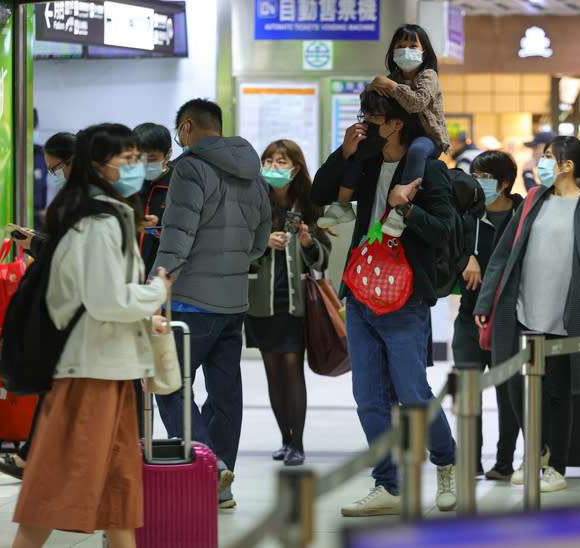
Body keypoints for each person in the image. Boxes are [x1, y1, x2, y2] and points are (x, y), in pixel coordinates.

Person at [11, 123, 171, 548]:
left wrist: (141, 315)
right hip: (88, 374)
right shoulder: (98, 222)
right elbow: (105, 301)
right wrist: (155, 292)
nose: (138, 166)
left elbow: (101, 300)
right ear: (99, 167)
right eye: (128, 159)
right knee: (55, 491)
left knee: (119, 494)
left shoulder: (103, 215)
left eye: (139, 157)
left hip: (110, 369)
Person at [312, 90, 457, 516]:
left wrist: (406, 209)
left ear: (396, 124)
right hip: (360, 294)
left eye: (373, 118)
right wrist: (344, 152)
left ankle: (446, 463)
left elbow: (442, 231)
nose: (366, 124)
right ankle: (388, 485)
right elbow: (321, 192)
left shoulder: (430, 170)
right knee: (369, 398)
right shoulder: (369, 162)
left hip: (406, 298)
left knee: (413, 393)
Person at [151, 98, 271, 509]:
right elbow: (259, 242)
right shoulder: (254, 174)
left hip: (188, 302)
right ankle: (221, 484)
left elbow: (177, 236)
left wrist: (156, 285)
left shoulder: (189, 168)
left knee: (169, 385)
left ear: (186, 127)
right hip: (233, 303)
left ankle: (210, 467)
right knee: (224, 394)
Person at [474, 135, 580, 493]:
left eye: (548, 156)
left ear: (567, 165)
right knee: (516, 386)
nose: (541, 162)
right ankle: (535, 453)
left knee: (557, 393)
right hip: (520, 312)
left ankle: (556, 467)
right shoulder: (534, 199)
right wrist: (485, 303)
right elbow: (503, 256)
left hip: (564, 319)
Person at [0, 132, 77, 482]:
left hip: (82, 314)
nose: (56, 175)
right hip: (82, 313)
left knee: (60, 387)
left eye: (57, 168)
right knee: (56, 387)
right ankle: (34, 457)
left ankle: (37, 459)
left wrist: (39, 245)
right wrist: (38, 241)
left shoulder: (89, 201)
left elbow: (70, 256)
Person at [318, 23, 451, 239]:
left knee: (417, 151)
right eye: (400, 45)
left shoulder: (428, 76)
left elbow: (417, 103)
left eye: (412, 45)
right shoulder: (392, 77)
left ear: (424, 50)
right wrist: (371, 88)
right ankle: (342, 205)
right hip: (400, 137)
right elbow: (370, 103)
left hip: (427, 138)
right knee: (362, 150)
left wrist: (390, 86)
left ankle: (400, 210)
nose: (406, 50)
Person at [245, 139, 331, 467]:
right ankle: (284, 438)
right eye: (269, 161)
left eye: (281, 162)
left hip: (296, 303)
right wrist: (262, 243)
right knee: (272, 372)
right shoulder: (255, 203)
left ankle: (298, 442)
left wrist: (308, 241)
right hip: (261, 304)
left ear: (295, 168)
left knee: (293, 369)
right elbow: (241, 253)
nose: (274, 167)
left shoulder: (307, 205)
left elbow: (321, 259)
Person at [452, 150, 522, 480]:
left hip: (509, 320)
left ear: (505, 183)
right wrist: (466, 256)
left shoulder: (523, 219)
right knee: (468, 389)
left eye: (485, 178)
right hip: (468, 317)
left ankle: (505, 461)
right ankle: (470, 459)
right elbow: (446, 251)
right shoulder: (466, 215)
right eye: (475, 177)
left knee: (508, 392)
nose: (477, 184)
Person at [133, 122, 173, 275]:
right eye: (140, 158)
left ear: (168, 154)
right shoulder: (130, 185)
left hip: (163, 276)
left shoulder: (179, 185)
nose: (145, 163)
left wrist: (159, 231)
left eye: (152, 157)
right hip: (131, 277)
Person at [32, 108, 48, 229]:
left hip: (38, 220)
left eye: (34, 126)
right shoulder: (10, 155)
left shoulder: (42, 155)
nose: (33, 130)